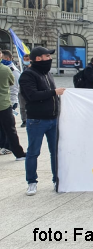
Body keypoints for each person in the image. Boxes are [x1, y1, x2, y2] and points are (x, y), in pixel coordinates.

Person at [19, 47, 65, 196]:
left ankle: (56, 179)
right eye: (47, 56)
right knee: (33, 152)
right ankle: (32, 182)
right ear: (38, 58)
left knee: (55, 152)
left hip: (53, 119)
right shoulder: (28, 75)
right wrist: (54, 92)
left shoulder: (47, 74)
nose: (50, 59)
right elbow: (32, 95)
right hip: (37, 121)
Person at [0, 60, 26, 160]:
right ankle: (18, 154)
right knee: (10, 130)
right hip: (4, 103)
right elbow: (11, 82)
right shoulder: (6, 69)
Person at [1, 51, 21, 118]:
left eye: (2, 58)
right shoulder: (3, 69)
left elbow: (14, 88)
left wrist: (12, 103)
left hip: (9, 102)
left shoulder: (13, 71)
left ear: (7, 58)